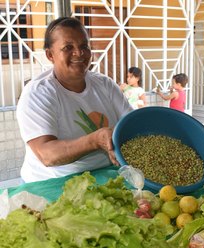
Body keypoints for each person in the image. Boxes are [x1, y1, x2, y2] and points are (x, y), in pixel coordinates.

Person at [16, 17, 133, 183]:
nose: (79, 53)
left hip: (105, 174)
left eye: (84, 46)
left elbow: (132, 124)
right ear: (50, 55)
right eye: (68, 47)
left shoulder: (104, 84)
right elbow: (47, 155)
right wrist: (95, 140)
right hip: (53, 182)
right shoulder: (38, 94)